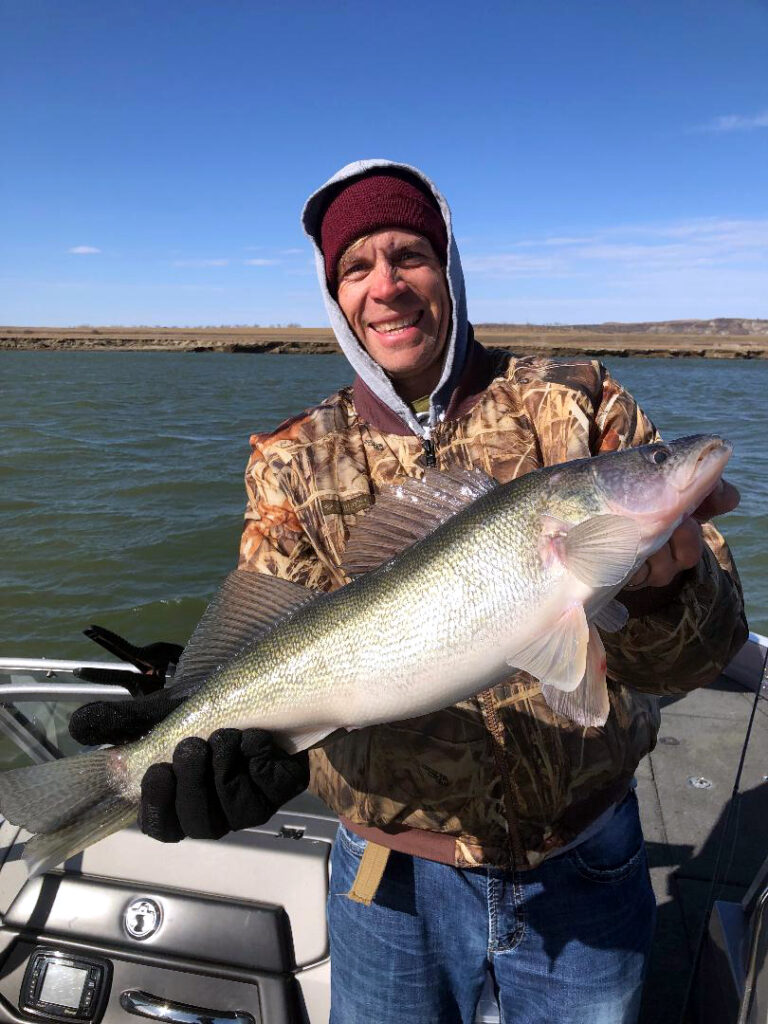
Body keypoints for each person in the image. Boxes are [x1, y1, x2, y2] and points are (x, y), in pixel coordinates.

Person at [71, 160, 748, 1024]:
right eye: (356, 267)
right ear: (334, 296)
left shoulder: (578, 403)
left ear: (450, 269)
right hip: (382, 886)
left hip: (582, 867)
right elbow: (268, 626)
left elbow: (704, 651)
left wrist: (664, 591)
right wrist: (223, 732)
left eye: (410, 255)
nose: (386, 286)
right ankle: (106, 784)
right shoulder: (291, 458)